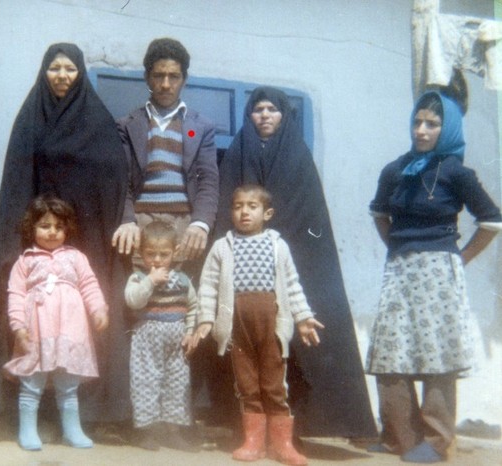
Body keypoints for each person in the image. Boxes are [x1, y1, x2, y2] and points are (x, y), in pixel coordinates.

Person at [0, 43, 130, 428]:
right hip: (38, 235)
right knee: (33, 323)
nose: (62, 76)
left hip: (85, 236)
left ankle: (81, 413)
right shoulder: (30, 118)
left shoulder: (98, 121)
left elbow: (114, 176)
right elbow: (18, 178)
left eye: (70, 69)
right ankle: (23, 411)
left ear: (81, 73)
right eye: (54, 68)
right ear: (44, 72)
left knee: (78, 324)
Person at [216, 87, 376, 438]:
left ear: (284, 115)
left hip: (295, 257)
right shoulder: (238, 152)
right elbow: (227, 207)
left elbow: (309, 213)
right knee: (246, 351)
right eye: (258, 109)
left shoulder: (298, 155)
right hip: (246, 265)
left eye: (272, 109)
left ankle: (304, 426)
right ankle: (246, 427)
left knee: (299, 341)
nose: (265, 115)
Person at [366, 90, 502, 463]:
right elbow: (379, 213)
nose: (422, 130)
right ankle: (399, 436)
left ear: (448, 129)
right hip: (399, 270)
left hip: (439, 273)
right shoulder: (394, 170)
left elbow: (492, 221)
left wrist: (460, 258)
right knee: (390, 351)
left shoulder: (457, 172)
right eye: (417, 122)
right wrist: (397, 246)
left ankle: (437, 441)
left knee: (436, 354)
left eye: (433, 124)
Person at [196, 185, 323, 466]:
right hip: (238, 328)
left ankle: (282, 445)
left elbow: (292, 285)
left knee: (275, 385)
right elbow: (208, 286)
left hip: (271, 327)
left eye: (252, 207)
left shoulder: (277, 246)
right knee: (247, 384)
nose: (244, 212)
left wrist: (303, 318)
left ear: (267, 213)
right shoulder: (222, 247)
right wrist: (205, 319)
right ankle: (253, 442)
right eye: (238, 206)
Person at [5, 196, 108, 450]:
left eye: (59, 227)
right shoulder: (26, 260)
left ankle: (72, 431)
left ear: (67, 229)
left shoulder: (76, 257)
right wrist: (18, 326)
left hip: (70, 328)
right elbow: (15, 294)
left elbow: (89, 285)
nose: (52, 232)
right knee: (32, 382)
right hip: (38, 329)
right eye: (45, 226)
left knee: (68, 384)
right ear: (32, 228)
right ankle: (27, 430)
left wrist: (98, 309)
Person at [112, 37, 219, 271]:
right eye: (159, 76)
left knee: (181, 289)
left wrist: (200, 223)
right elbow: (122, 180)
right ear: (147, 78)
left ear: (184, 79)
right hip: (140, 224)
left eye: (174, 76)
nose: (166, 84)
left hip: (185, 225)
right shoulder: (128, 125)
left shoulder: (200, 127)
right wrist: (127, 219)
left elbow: (208, 180)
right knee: (138, 289)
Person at [125, 221, 201, 452]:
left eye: (163, 254)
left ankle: (173, 433)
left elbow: (193, 307)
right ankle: (148, 432)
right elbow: (133, 301)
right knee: (146, 383)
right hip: (147, 340)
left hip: (176, 341)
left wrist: (191, 332)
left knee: (177, 385)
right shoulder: (138, 278)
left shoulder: (183, 280)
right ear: (141, 253)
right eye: (151, 254)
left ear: (175, 252)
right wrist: (150, 281)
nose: (157, 260)